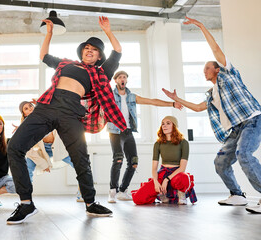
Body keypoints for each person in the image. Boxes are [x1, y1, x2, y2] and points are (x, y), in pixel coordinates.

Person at [7, 16, 127, 224]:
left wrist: (107, 31)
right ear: (81, 52)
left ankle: (90, 204)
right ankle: (26, 203)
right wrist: (49, 34)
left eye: (94, 49)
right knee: (14, 147)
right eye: (86, 47)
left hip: (71, 112)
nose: (89, 50)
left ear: (99, 57)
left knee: (81, 158)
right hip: (46, 106)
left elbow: (117, 52)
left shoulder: (101, 72)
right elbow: (44, 55)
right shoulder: (66, 63)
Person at [162, 17, 261, 213]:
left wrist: (201, 26)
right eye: (203, 69)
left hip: (252, 120)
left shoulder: (228, 74)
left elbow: (216, 50)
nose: (204, 71)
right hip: (236, 129)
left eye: (207, 67)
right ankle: (237, 195)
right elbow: (199, 108)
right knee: (220, 162)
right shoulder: (211, 94)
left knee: (244, 155)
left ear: (217, 68)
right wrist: (177, 99)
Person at [107, 71, 183, 203]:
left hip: (128, 131)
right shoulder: (110, 96)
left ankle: (122, 191)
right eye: (120, 77)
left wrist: (171, 104)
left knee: (134, 162)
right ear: (116, 81)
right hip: (115, 131)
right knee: (118, 159)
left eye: (125, 77)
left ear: (127, 80)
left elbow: (152, 101)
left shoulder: (131, 97)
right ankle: (112, 192)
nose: (122, 79)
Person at [18, 101, 83, 202]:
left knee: (79, 165)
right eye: (26, 109)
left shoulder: (46, 114)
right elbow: (29, 151)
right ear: (24, 114)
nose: (30, 109)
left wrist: (44, 105)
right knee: (27, 170)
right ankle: (26, 198)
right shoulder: (26, 126)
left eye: (30, 106)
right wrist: (44, 164)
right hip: (41, 150)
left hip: (57, 146)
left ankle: (82, 192)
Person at [151, 116, 197, 204]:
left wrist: (166, 179)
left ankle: (181, 194)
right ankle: (163, 195)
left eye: (168, 123)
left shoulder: (184, 143)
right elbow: (154, 168)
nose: (164, 126)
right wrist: (156, 181)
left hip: (177, 173)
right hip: (163, 172)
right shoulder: (158, 144)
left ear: (174, 126)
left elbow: (182, 168)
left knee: (184, 178)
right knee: (139, 197)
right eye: (163, 124)